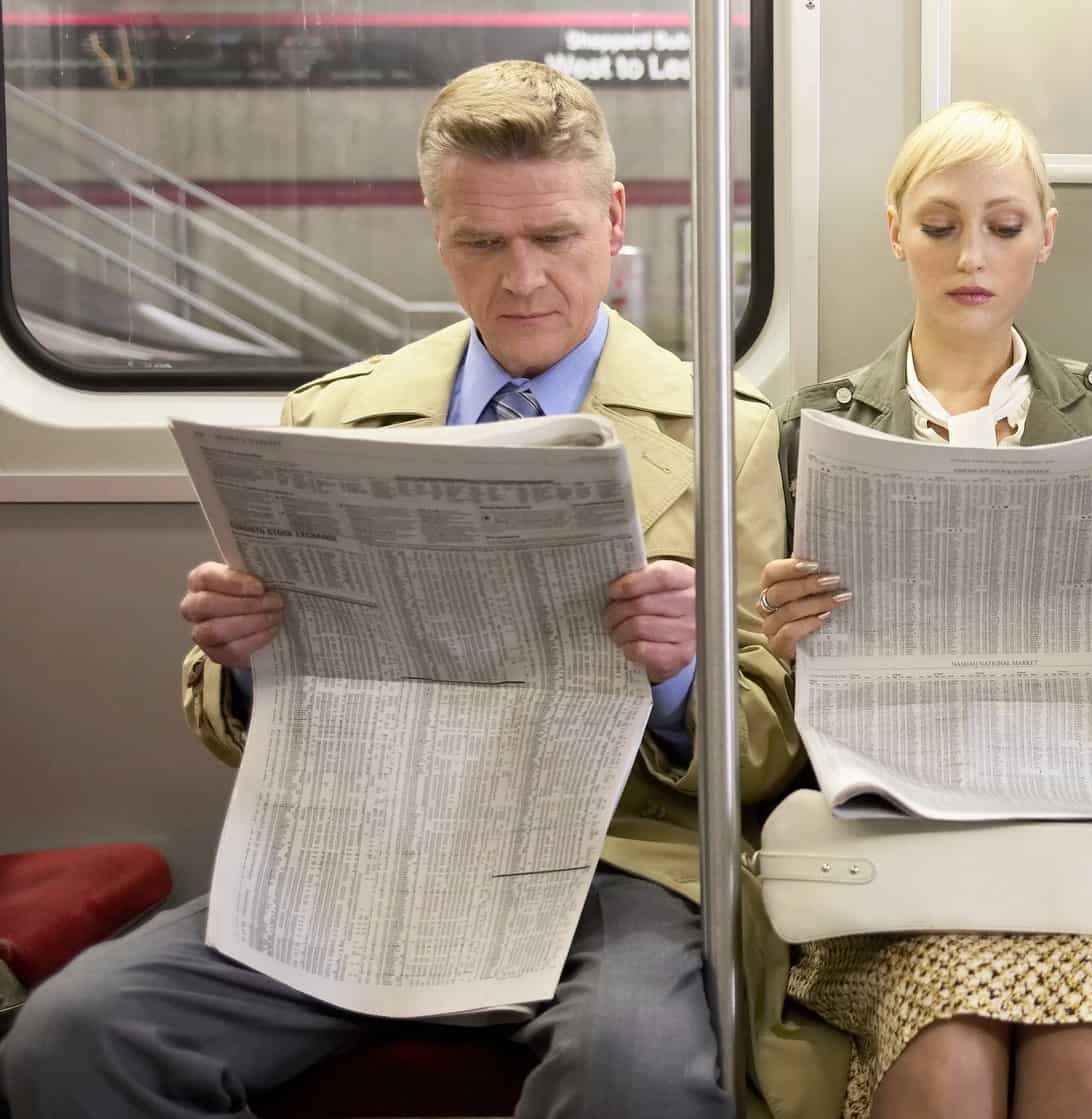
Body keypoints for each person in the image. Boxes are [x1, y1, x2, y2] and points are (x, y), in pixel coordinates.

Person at [0, 61, 819, 1119]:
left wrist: (680, 674)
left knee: (635, 1075)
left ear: (612, 219)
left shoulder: (729, 433)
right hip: (364, 851)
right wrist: (244, 664)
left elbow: (766, 747)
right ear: (437, 231)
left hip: (607, 865)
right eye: (483, 243)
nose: (522, 279)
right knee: (73, 1040)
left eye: (556, 239)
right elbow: (229, 719)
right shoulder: (337, 416)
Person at [754, 101, 1092, 1119]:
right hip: (898, 861)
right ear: (894, 231)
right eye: (939, 227)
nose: (970, 254)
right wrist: (793, 644)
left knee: (1089, 1049)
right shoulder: (818, 428)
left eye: (1004, 227)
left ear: (1045, 237)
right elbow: (785, 699)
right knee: (946, 1051)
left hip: (1082, 850)